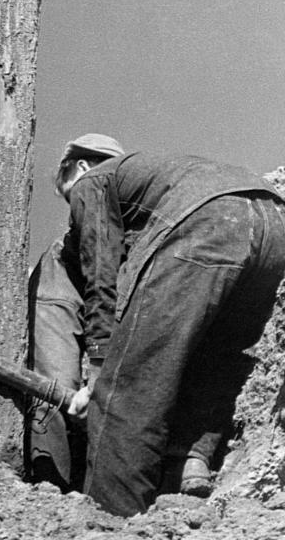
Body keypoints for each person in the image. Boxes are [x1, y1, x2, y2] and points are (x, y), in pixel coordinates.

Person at [59, 150, 285, 516]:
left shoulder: (91, 180)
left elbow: (100, 275)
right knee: (215, 356)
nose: (73, 216)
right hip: (277, 224)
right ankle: (191, 458)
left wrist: (100, 364)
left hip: (207, 221)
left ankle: (110, 519)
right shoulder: (168, 171)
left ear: (79, 168)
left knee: (128, 392)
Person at [26, 134, 125, 493]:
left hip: (98, 284)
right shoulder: (62, 263)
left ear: (82, 168)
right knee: (55, 387)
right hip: (62, 278)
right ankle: (49, 485)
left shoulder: (100, 191)